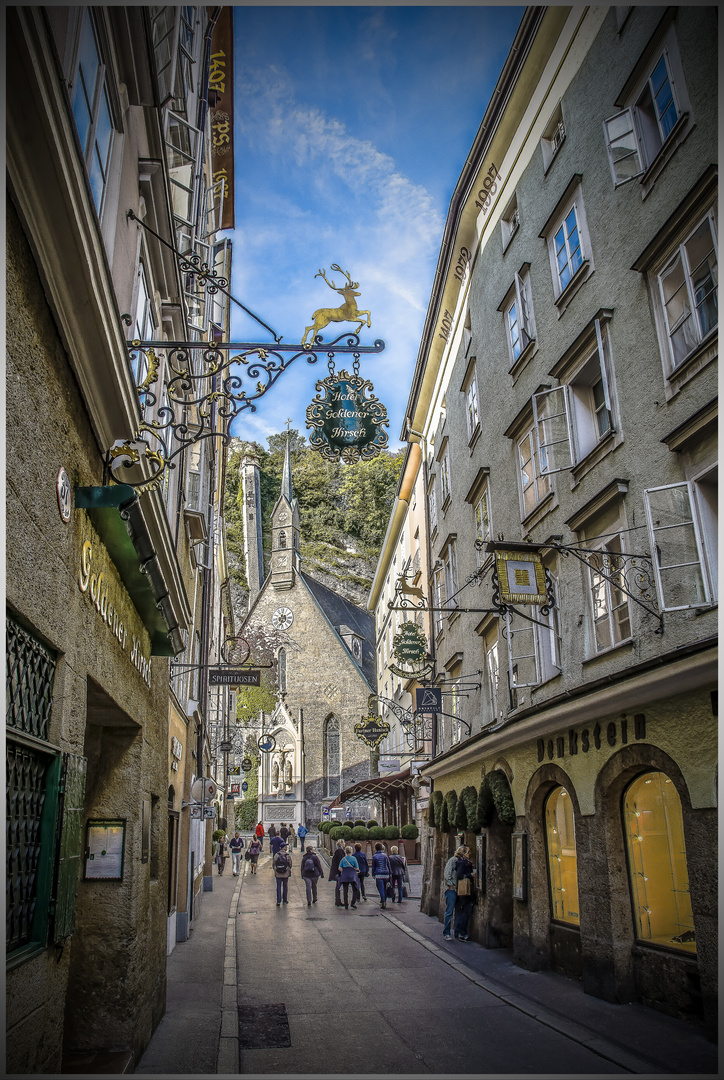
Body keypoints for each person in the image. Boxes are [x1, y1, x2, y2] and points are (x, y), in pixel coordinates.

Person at [442, 845, 467, 939]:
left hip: (459, 889)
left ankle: (457, 932)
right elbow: (447, 873)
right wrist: (450, 885)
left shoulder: (463, 862)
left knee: (459, 911)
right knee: (449, 911)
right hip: (451, 890)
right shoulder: (453, 860)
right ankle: (446, 932)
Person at [454, 846, 476, 941]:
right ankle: (462, 934)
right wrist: (470, 875)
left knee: (461, 911)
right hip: (464, 890)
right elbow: (459, 875)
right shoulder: (463, 862)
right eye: (468, 852)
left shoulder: (460, 861)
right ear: (464, 853)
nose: (469, 854)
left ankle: (458, 932)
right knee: (465, 912)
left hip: (461, 891)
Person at [371, 842, 392, 909]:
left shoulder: (374, 856)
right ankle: (384, 899)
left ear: (375, 848)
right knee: (385, 888)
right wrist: (390, 873)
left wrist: (373, 874)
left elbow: (373, 866)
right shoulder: (385, 855)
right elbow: (388, 865)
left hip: (378, 874)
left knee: (380, 888)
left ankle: (383, 901)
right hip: (386, 873)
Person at [328, 839, 346, 907]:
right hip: (338, 872)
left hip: (336, 871)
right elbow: (340, 862)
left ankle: (338, 900)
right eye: (344, 843)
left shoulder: (338, 851)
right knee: (338, 886)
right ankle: (338, 900)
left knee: (338, 886)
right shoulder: (339, 851)